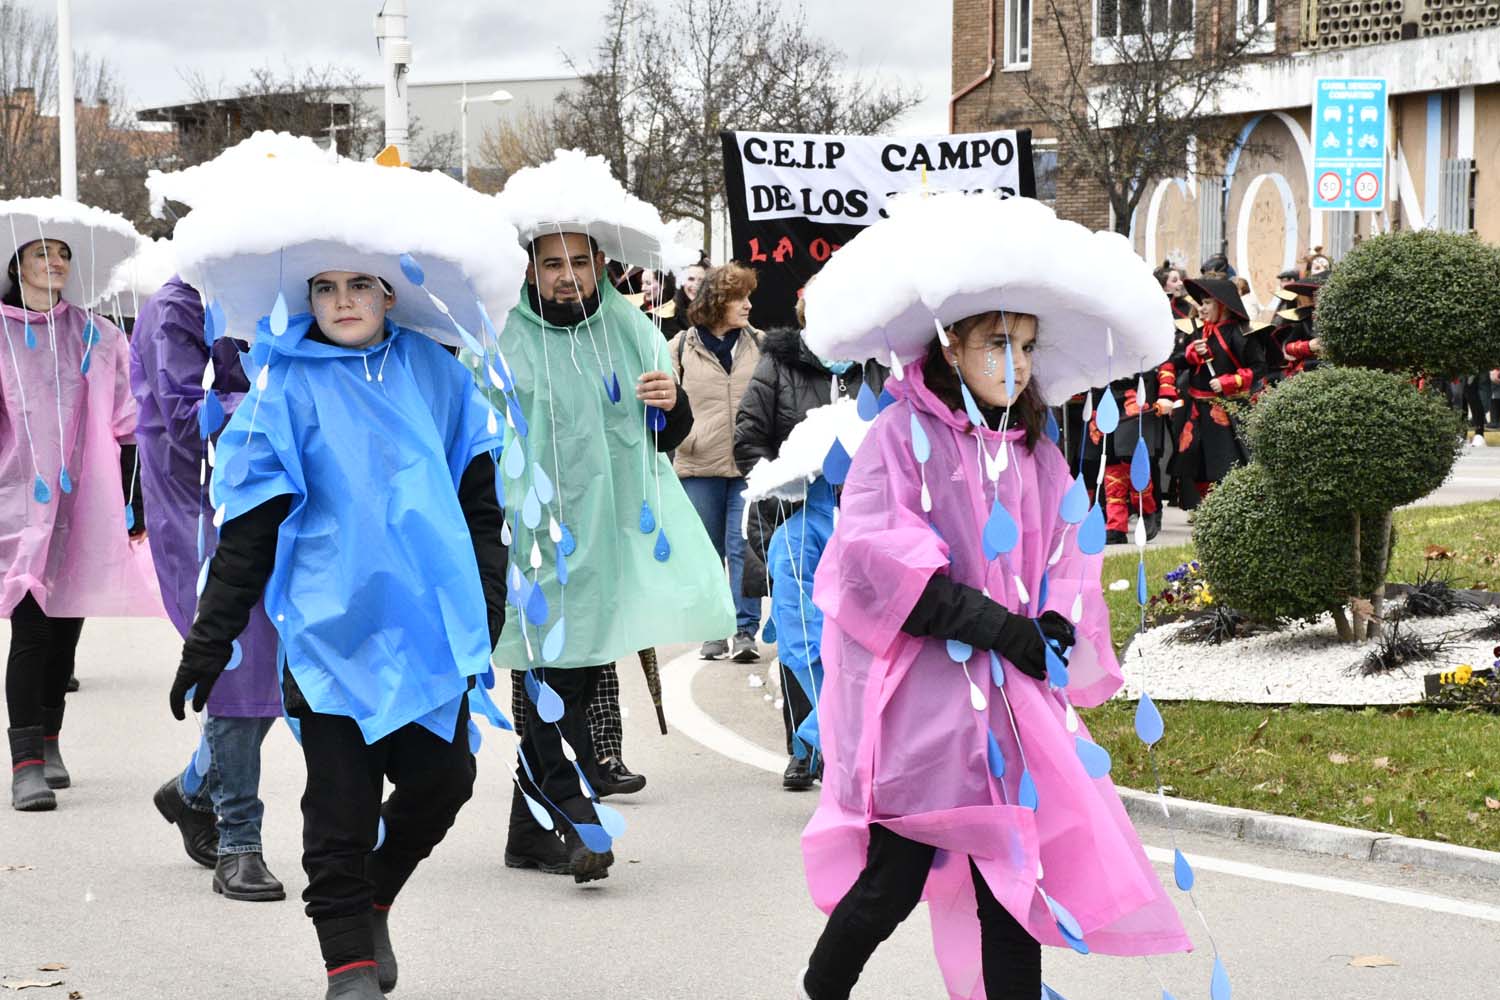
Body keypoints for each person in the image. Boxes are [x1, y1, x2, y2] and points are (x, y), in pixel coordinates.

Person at [795, 193, 1189, 1000]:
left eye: (1028, 347)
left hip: (1009, 709)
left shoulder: (1038, 453)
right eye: (997, 343)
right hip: (923, 705)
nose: (1014, 364)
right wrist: (996, 625)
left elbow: (1065, 562)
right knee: (893, 879)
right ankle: (821, 986)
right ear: (952, 344)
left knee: (1015, 883)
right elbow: (880, 565)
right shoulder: (899, 439)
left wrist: (1051, 623)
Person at [164, 156, 517, 999]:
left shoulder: (438, 375)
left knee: (446, 781)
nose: (344, 299)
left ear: (390, 294)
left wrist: (488, 594)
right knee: (339, 805)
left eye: (361, 283)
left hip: (426, 629)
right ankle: (348, 964)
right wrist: (208, 645)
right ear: (308, 299)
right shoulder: (281, 388)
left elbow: (479, 501)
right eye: (326, 287)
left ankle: (375, 896)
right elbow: (247, 532)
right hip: (329, 635)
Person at [485, 148, 735, 882]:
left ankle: (530, 834)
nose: (567, 275)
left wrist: (671, 406)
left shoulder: (631, 330)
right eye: (552, 262)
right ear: (530, 268)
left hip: (609, 540)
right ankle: (576, 819)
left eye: (580, 261)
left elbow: (665, 438)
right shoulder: (501, 336)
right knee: (545, 680)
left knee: (577, 678)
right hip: (529, 545)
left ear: (600, 264)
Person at [131, 274, 286, 901]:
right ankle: (239, 840)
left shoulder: (274, 289)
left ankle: (193, 789)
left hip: (268, 495)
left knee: (275, 666)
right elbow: (188, 418)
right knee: (237, 662)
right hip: (199, 507)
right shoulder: (179, 304)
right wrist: (280, 400)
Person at [2, 200, 160, 812]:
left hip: (82, 500)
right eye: (43, 252)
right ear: (17, 264)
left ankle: (51, 734)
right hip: (14, 502)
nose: (56, 261)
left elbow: (128, 422)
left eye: (64, 253)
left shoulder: (96, 334)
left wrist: (135, 495)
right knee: (32, 628)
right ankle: (26, 763)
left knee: (67, 626)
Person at [742, 400, 870, 791]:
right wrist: (812, 649)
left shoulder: (868, 522)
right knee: (831, 706)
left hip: (862, 640)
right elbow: (792, 602)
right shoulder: (797, 534)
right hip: (821, 642)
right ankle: (810, 750)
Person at [669, 261, 765, 662]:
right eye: (738, 298)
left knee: (743, 549)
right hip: (698, 466)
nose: (747, 305)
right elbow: (667, 406)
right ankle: (713, 630)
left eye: (748, 297)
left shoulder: (760, 343)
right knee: (706, 552)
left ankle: (744, 631)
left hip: (747, 465)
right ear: (716, 302)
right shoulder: (679, 347)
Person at [1168, 276, 1267, 509]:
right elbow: (1177, 361)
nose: (1201, 309)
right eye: (1200, 303)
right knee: (1196, 462)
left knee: (1225, 462)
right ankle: (1206, 509)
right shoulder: (1199, 334)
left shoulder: (1241, 333)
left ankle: (1229, 509)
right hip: (1196, 410)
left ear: (1222, 304)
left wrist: (1230, 381)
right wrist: (1192, 353)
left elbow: (1260, 367)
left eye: (1207, 303)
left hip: (1227, 410)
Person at [658, 261, 705, 338]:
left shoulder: (714, 312)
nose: (696, 284)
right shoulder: (668, 315)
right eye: (691, 279)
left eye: (701, 280)